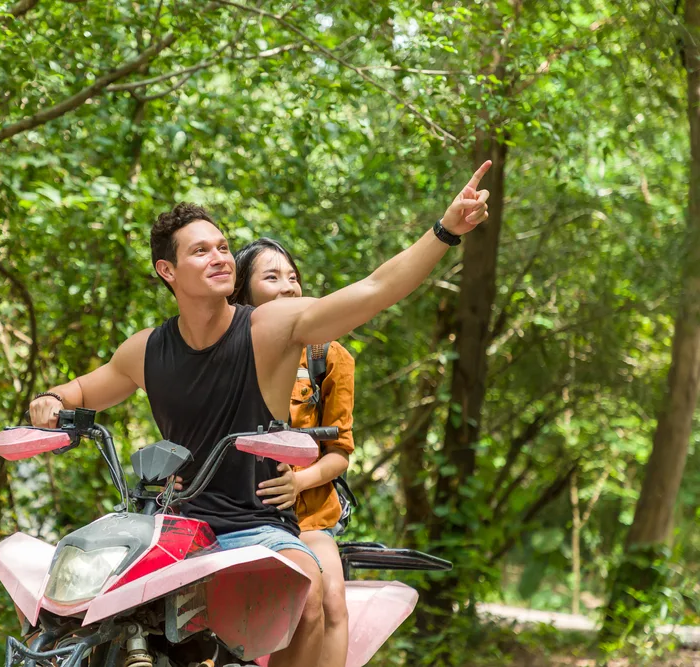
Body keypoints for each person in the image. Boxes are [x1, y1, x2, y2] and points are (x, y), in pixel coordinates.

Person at [29, 161, 492, 667]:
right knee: (66, 591)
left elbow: (374, 290)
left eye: (223, 247)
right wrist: (51, 401)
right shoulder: (145, 351)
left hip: (255, 526)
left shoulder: (269, 328)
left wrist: (445, 231)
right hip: (175, 526)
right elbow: (79, 389)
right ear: (168, 271)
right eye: (200, 250)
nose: (219, 257)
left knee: (308, 590)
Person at [230, 237, 355, 667]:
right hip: (231, 511)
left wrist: (297, 481)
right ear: (242, 293)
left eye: (293, 277)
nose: (288, 286)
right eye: (272, 277)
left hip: (307, 514)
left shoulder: (328, 356)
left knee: (330, 602)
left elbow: (339, 453)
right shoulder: (220, 352)